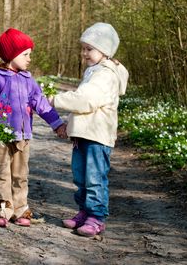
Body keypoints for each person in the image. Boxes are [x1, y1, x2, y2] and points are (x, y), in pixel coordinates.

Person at [0, 27, 67, 228]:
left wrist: (57, 124)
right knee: (1, 173)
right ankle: (2, 209)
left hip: (22, 137)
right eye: (25, 54)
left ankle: (20, 210)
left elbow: (41, 104)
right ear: (12, 55)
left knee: (20, 175)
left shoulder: (29, 80)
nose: (29, 59)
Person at [49, 22, 129, 237]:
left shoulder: (105, 74)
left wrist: (54, 99)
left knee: (94, 178)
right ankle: (84, 212)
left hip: (97, 136)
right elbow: (81, 107)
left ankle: (96, 217)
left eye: (89, 49)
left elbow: (85, 100)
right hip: (84, 135)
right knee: (81, 177)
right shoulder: (93, 71)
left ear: (104, 50)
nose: (84, 53)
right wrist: (70, 126)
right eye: (83, 48)